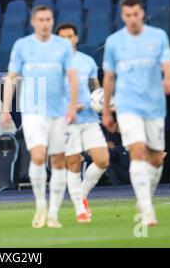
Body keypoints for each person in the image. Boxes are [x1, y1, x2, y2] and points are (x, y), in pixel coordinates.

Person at [0, 5, 79, 229]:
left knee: (57, 161)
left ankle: (53, 213)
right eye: (41, 19)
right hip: (33, 112)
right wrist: (5, 109)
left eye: (48, 19)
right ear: (33, 22)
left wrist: (72, 106)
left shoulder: (62, 46)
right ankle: (40, 206)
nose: (45, 23)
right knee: (37, 156)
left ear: (52, 21)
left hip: (59, 111)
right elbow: (11, 78)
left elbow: (72, 77)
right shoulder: (22, 46)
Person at [102, 0, 170, 226]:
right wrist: (106, 109)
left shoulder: (158, 37)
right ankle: (146, 209)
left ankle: (146, 197)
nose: (132, 19)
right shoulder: (114, 42)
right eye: (128, 15)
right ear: (122, 16)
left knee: (156, 160)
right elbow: (109, 77)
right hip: (127, 106)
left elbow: (168, 67)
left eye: (136, 14)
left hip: (154, 106)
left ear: (142, 13)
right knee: (137, 151)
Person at [56, 23, 109, 223]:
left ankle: (83, 195)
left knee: (102, 160)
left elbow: (96, 89)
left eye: (70, 36)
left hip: (88, 118)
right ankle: (80, 209)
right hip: (66, 121)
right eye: (62, 37)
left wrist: (104, 104)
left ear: (76, 38)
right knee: (74, 162)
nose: (67, 40)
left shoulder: (87, 61)